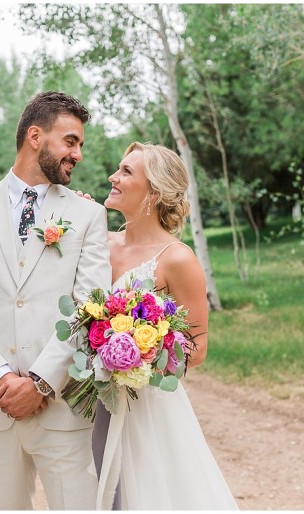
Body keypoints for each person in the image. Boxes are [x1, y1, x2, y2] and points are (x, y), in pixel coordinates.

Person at [0, 91, 111, 510]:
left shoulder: (88, 215)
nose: (78, 154)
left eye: (80, 144)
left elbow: (91, 306)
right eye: (70, 141)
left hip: (62, 408)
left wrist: (40, 383)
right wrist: (0, 378)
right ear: (36, 136)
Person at [93, 142, 238, 510]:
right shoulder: (98, 243)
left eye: (126, 172)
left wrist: (137, 356)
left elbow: (197, 347)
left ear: (154, 192)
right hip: (90, 397)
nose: (113, 176)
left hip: (146, 405)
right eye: (118, 168)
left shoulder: (177, 258)